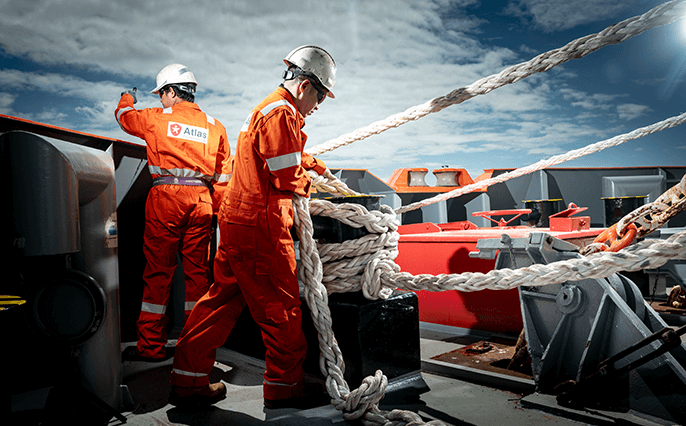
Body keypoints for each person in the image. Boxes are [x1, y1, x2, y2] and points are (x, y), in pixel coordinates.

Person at [168, 45, 335, 408]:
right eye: (321, 95)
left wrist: (312, 162)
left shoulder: (268, 109)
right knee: (282, 308)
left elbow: (271, 153)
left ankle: (188, 380)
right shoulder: (283, 113)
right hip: (260, 226)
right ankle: (284, 389)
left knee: (219, 303)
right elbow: (286, 175)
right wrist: (310, 180)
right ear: (305, 86)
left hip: (236, 221)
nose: (319, 105)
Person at [115, 64, 232, 362]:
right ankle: (195, 347)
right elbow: (222, 176)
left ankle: (151, 346)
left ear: (170, 91)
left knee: (158, 272)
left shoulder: (156, 119)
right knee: (197, 278)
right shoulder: (215, 126)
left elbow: (124, 118)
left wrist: (127, 97)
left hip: (166, 199)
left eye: (161, 94)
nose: (160, 100)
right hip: (202, 202)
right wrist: (215, 211)